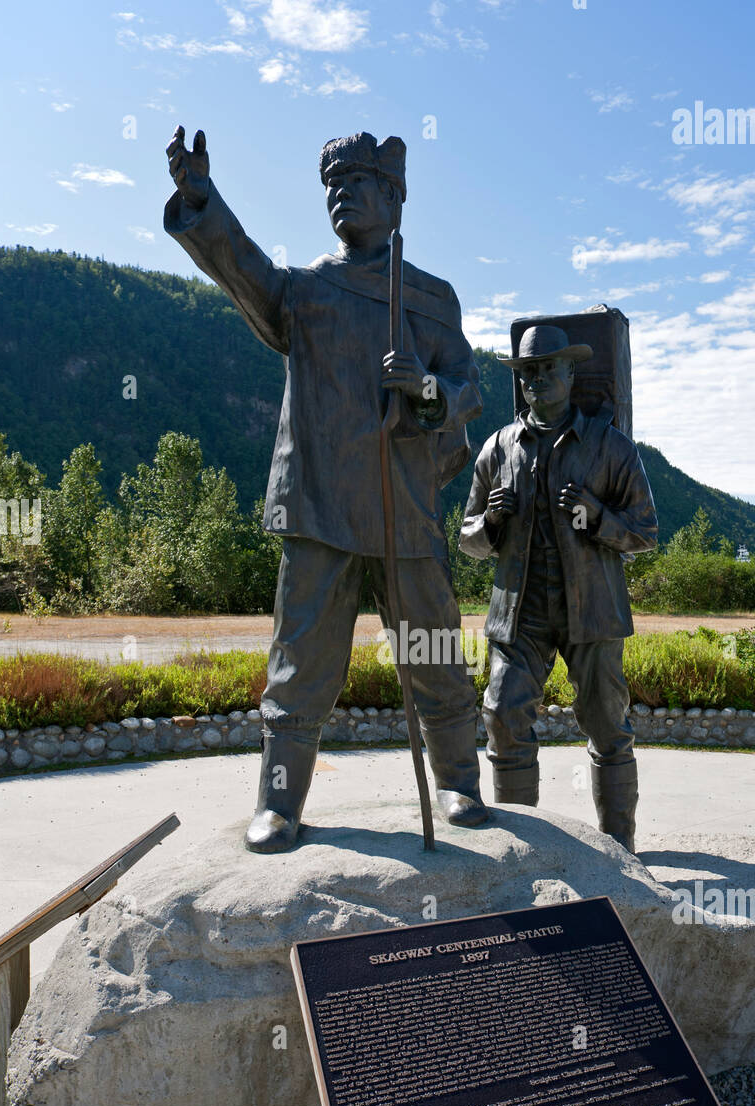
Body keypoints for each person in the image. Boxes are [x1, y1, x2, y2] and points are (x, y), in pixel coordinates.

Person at [164, 126, 489, 851]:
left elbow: (468, 391)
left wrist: (426, 387)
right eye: (333, 187)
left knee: (433, 649)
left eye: (359, 184)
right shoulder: (307, 291)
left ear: (394, 198)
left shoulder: (432, 300)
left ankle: (461, 783)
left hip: (401, 505)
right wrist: (202, 199)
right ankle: (280, 802)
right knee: (301, 662)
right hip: (318, 506)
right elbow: (244, 270)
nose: (342, 196)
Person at [459, 324, 657, 852]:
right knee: (502, 713)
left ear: (571, 373)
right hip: (519, 612)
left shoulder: (611, 447)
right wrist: (490, 525)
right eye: (528, 371)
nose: (537, 379)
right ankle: (519, 852)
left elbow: (644, 532)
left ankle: (620, 851)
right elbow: (467, 538)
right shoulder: (498, 448)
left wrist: (598, 518)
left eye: (549, 368)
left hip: (591, 609)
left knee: (607, 725)